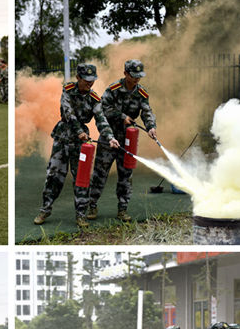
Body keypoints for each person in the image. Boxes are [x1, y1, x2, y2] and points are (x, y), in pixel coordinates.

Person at [33, 64, 120, 228]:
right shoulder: (68, 90)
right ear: (78, 77)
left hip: (80, 144)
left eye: (92, 80)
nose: (90, 83)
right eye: (86, 80)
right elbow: (68, 113)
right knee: (54, 175)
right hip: (63, 137)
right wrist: (79, 131)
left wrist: (110, 137)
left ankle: (81, 215)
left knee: (82, 179)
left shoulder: (94, 99)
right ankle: (45, 209)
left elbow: (101, 120)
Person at [87, 59, 157, 222]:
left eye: (139, 76)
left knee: (126, 174)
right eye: (133, 76)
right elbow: (102, 109)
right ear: (125, 73)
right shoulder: (113, 90)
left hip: (128, 140)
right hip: (109, 137)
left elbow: (147, 112)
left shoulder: (142, 93)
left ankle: (122, 209)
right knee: (100, 174)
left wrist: (151, 126)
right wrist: (122, 116)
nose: (137, 79)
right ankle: (92, 205)